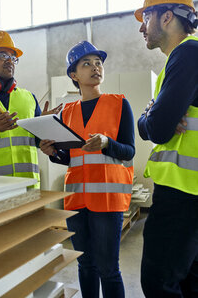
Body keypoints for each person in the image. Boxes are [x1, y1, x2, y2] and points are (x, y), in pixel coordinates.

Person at [40, 40, 135, 298]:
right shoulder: (67, 112)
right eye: (87, 64)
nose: (95, 67)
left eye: (98, 63)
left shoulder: (119, 104)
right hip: (75, 200)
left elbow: (129, 151)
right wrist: (52, 153)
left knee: (108, 268)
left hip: (107, 200)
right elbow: (68, 157)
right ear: (74, 75)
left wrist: (107, 143)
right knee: (85, 264)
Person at [134, 0, 198, 298]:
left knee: (158, 282)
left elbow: (156, 128)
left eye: (146, 18)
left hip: (183, 193)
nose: (142, 29)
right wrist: (157, 116)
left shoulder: (187, 53)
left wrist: (147, 116)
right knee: (189, 281)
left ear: (167, 17)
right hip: (190, 193)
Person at [0, 30, 62, 188]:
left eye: (13, 57)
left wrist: (44, 126)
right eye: (2, 55)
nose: (9, 61)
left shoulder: (29, 98)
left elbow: (37, 143)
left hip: (28, 190)